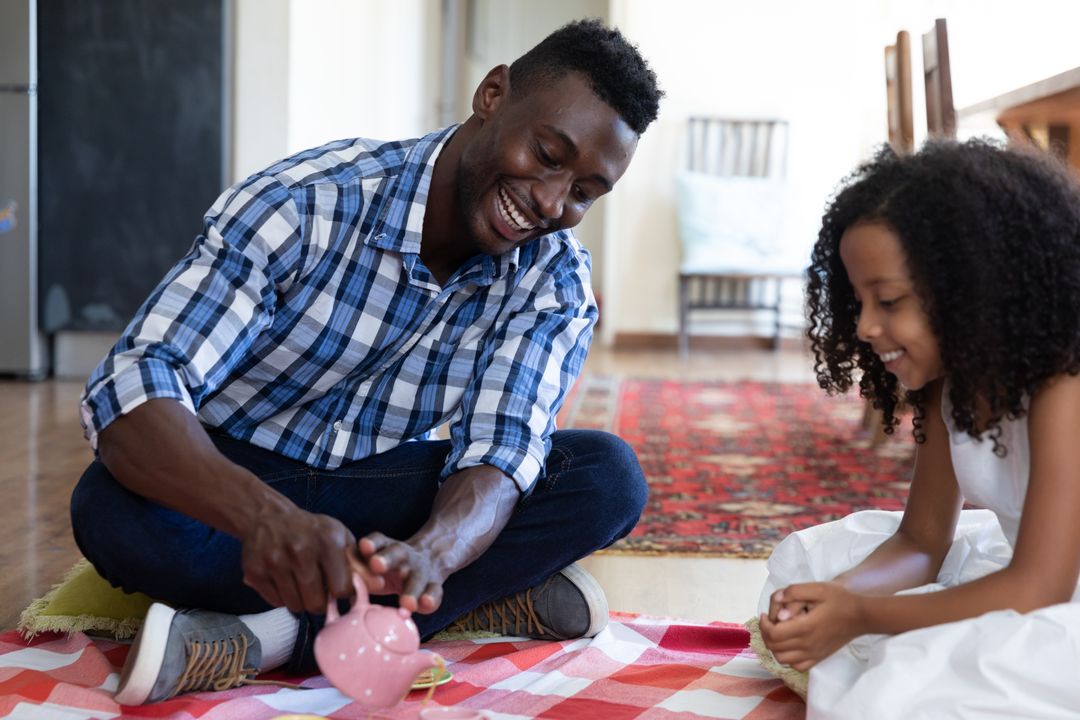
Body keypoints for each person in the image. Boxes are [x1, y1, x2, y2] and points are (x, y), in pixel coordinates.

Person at [70, 19, 661, 705]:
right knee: (110, 508)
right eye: (547, 154)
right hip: (232, 478)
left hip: (376, 500)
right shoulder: (306, 202)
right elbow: (135, 385)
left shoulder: (552, 281)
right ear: (493, 94)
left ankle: (267, 638)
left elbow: (502, 450)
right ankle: (451, 608)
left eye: (586, 192)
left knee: (605, 478)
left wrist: (432, 555)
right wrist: (264, 518)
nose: (552, 202)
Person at [758, 139, 1080, 718]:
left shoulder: (1064, 384)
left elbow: (1041, 588)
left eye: (887, 301)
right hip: (1029, 580)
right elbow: (921, 541)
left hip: (1049, 593)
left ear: (973, 288)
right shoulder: (951, 381)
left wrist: (860, 616)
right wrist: (838, 597)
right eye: (858, 302)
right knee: (812, 565)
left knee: (912, 680)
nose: (864, 327)